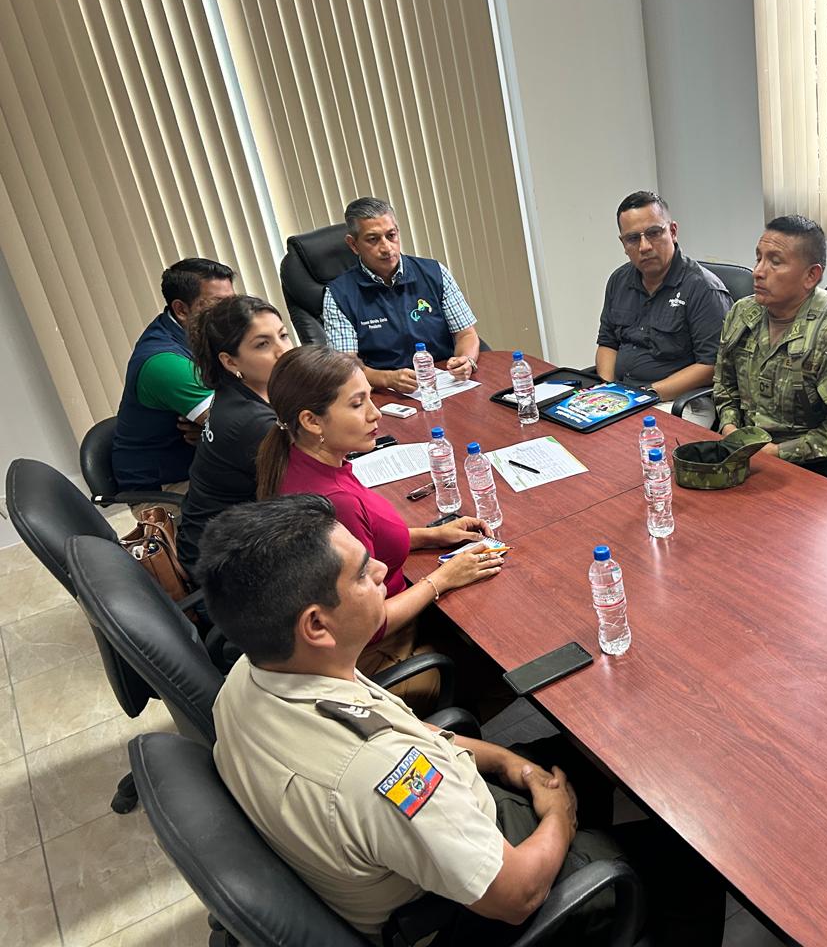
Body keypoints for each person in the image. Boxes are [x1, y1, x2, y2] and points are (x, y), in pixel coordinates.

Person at [202, 495, 725, 945]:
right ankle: (602, 887)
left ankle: (591, 846)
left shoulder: (255, 673)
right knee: (694, 864)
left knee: (573, 755)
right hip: (467, 910)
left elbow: (406, 731)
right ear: (316, 625)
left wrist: (507, 763)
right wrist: (559, 817)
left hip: (434, 835)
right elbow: (516, 895)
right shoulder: (375, 772)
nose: (381, 571)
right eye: (362, 573)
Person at [256, 345, 502, 716]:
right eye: (357, 404)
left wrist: (432, 535)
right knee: (507, 656)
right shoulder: (335, 501)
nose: (375, 414)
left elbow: (365, 541)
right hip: (379, 654)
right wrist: (442, 579)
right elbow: (368, 625)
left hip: (356, 636)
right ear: (312, 421)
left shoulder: (298, 459)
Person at [712, 215, 827, 482]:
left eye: (775, 262)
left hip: (812, 471)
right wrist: (729, 427)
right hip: (744, 457)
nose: (758, 271)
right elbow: (724, 383)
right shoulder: (743, 313)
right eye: (758, 258)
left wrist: (779, 453)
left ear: (810, 276)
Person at [176, 294, 292, 575]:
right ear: (230, 362)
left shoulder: (240, 392)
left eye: (283, 335)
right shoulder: (252, 421)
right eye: (263, 344)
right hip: (227, 564)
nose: (283, 351)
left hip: (222, 537)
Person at [595, 191, 730, 424]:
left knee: (631, 442)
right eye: (633, 238)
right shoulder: (618, 280)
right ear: (623, 244)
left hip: (680, 401)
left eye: (654, 233)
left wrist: (647, 394)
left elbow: (711, 366)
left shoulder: (703, 288)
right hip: (623, 395)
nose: (644, 246)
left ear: (673, 232)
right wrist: (608, 389)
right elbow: (607, 343)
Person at [322, 196, 481, 393]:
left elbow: (466, 334)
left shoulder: (434, 273)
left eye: (391, 235)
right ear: (353, 245)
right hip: (385, 393)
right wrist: (387, 379)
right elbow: (346, 366)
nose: (387, 248)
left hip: (445, 383)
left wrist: (466, 360)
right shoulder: (339, 295)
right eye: (373, 239)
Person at [111, 257, 235, 493]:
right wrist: (216, 430)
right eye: (218, 305)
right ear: (181, 310)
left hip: (205, 465)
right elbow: (241, 430)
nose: (230, 315)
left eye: (231, 303)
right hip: (167, 487)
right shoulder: (165, 362)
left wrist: (212, 431)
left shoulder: (208, 334)